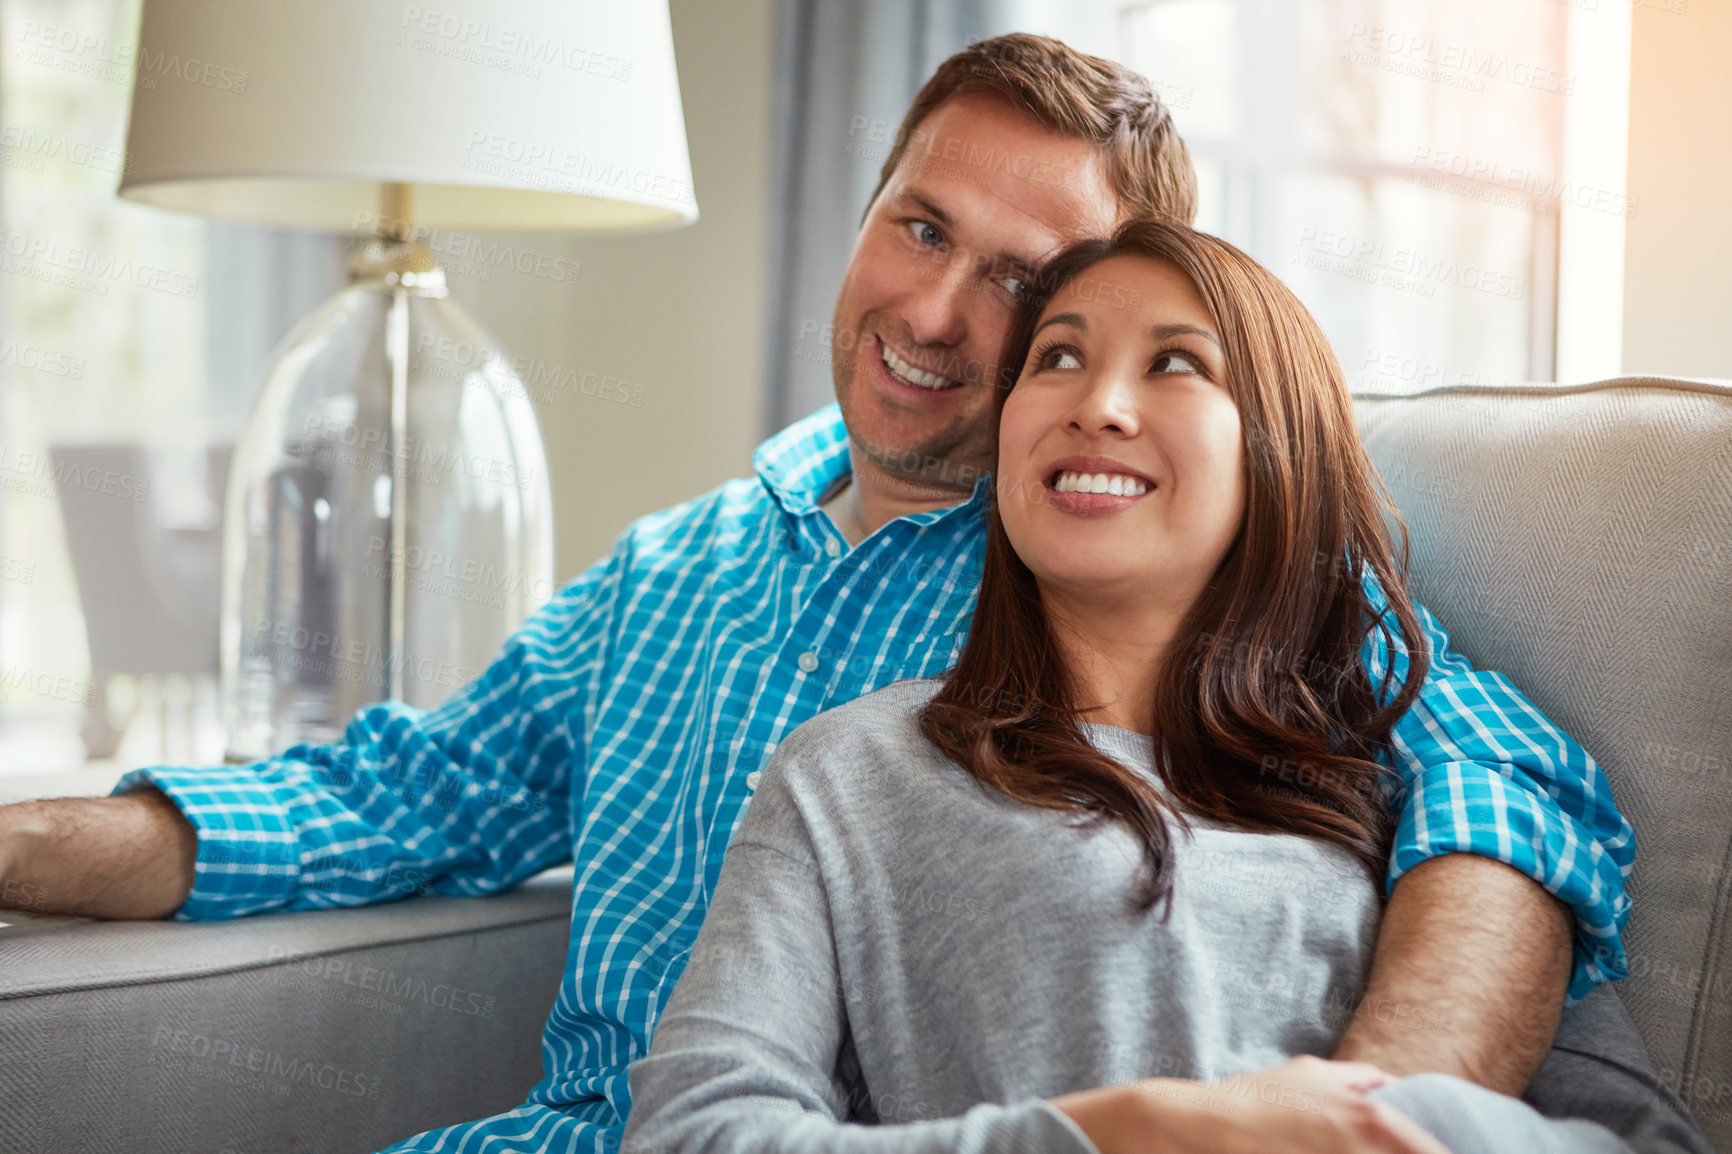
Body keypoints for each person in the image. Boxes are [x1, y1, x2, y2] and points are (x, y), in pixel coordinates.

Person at [0, 34, 1652, 1154]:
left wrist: (1372, 1109)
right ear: (861, 213)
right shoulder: (668, 571)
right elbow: (379, 795)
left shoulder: (1132, 565)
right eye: (917, 224)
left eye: (1019, 280)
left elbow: (1504, 785)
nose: (934, 310)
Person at [618, 220, 1661, 1154]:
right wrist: (1123, 1129)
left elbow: (1626, 1126)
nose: (1098, 406)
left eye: (1175, 365)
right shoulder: (851, 771)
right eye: (1058, 356)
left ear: (1274, 457)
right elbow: (693, 1130)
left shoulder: (1405, 780)